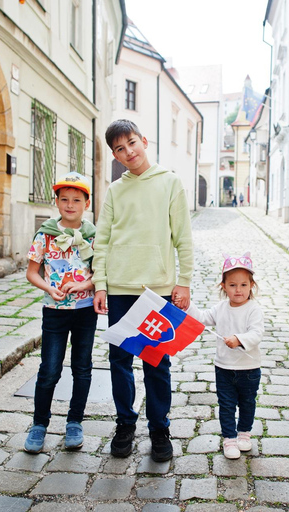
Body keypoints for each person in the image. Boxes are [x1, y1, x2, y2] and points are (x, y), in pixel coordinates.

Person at [93, 119, 193, 462]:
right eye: (120, 149)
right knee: (119, 360)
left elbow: (183, 237)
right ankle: (125, 423)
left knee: (156, 361)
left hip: (157, 289)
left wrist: (184, 281)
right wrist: (101, 284)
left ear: (144, 140)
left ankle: (159, 429)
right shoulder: (115, 191)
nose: (128, 152)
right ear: (114, 155)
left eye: (132, 143)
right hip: (120, 289)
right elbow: (102, 240)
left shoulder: (169, 183)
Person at [23, 172, 98, 454]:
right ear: (56, 202)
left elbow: (101, 273)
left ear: (86, 203)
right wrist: (49, 288)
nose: (70, 205)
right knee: (49, 369)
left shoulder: (94, 236)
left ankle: (74, 422)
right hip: (53, 311)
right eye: (64, 199)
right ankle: (39, 424)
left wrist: (83, 284)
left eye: (76, 200)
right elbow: (32, 272)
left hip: (84, 311)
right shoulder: (45, 235)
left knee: (82, 368)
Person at [188, 253, 264, 460]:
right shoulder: (220, 309)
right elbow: (202, 319)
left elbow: (256, 334)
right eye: (232, 285)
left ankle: (244, 434)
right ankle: (229, 438)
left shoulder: (253, 309)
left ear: (251, 285)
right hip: (223, 367)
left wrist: (239, 339)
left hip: (248, 368)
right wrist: (188, 305)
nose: (238, 290)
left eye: (243, 285)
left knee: (248, 402)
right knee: (227, 404)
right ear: (223, 286)